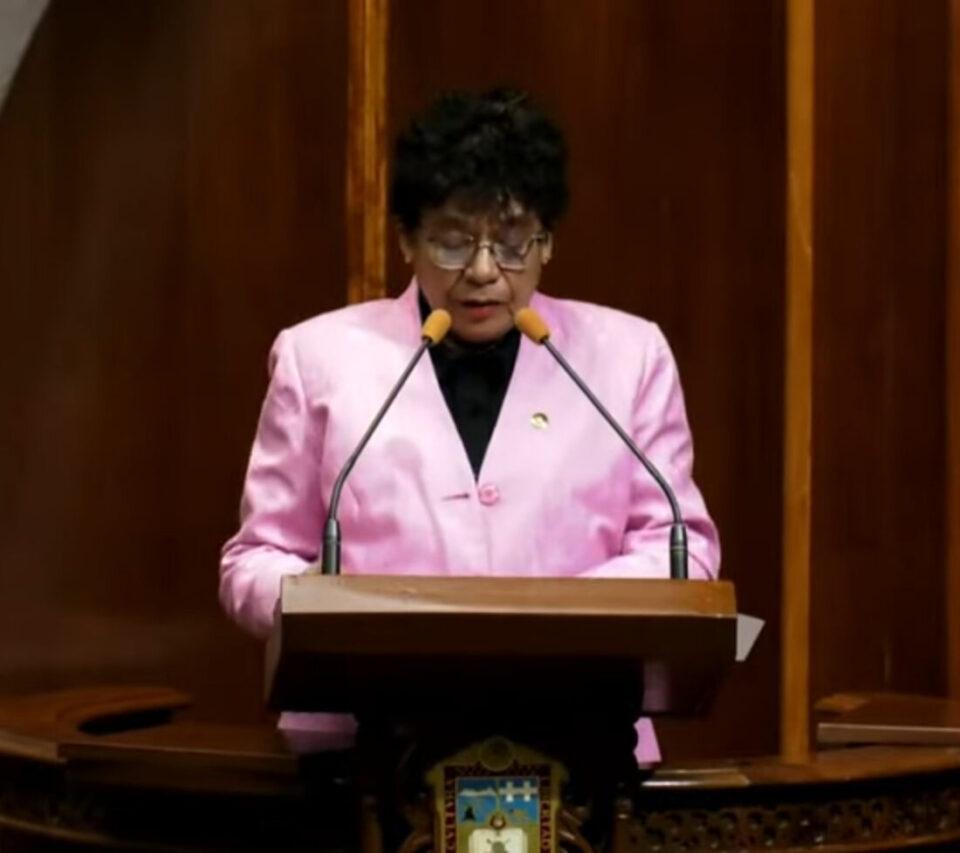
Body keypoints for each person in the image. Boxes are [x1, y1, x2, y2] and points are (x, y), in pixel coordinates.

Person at [220, 88, 720, 763]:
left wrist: (549, 625)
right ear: (407, 238)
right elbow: (255, 558)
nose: (484, 272)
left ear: (547, 241)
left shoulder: (629, 356)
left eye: (511, 242)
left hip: (584, 743)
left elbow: (680, 546)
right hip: (361, 751)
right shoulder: (319, 359)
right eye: (453, 242)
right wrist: (325, 606)